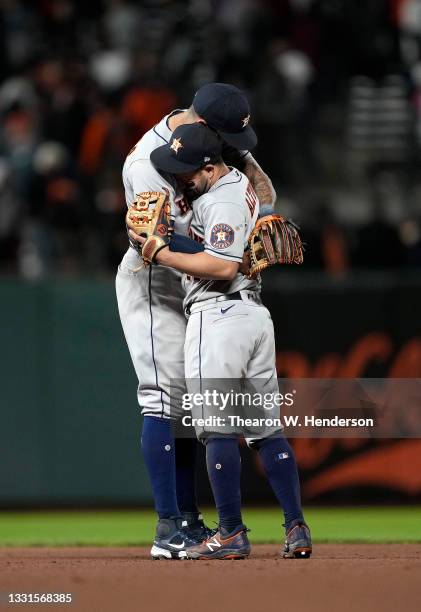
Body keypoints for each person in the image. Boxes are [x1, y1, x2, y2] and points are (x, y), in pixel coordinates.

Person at [130, 122, 312, 560]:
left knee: (215, 431)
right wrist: (173, 236)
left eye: (187, 170)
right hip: (251, 317)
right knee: (266, 431)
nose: (179, 178)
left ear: (210, 167)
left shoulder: (222, 197)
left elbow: (221, 266)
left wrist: (159, 253)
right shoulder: (235, 189)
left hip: (218, 313)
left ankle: (230, 531)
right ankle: (296, 528)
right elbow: (215, 242)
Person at [116, 83, 277, 559]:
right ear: (202, 124)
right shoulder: (147, 164)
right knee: (163, 397)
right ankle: (169, 527)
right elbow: (159, 243)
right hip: (155, 276)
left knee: (195, 402)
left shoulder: (212, 142)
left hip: (198, 279)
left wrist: (255, 209)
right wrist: (234, 251)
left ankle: (187, 518)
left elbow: (263, 196)